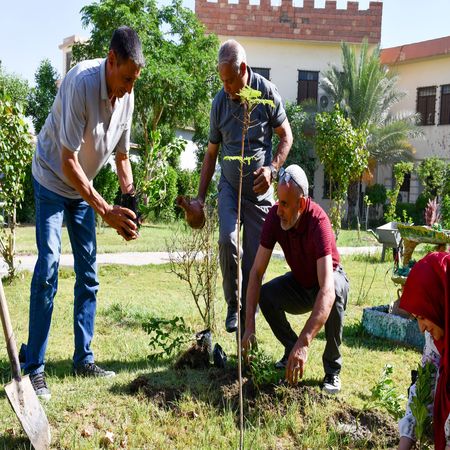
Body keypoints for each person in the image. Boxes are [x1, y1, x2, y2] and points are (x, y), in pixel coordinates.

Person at [22, 26, 145, 400]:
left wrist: (130, 200)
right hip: (51, 178)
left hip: (82, 190)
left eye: (133, 81)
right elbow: (68, 160)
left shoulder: (127, 94)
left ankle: (83, 358)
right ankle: (34, 368)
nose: (127, 88)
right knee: (47, 268)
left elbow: (122, 156)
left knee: (88, 272)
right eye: (125, 78)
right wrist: (105, 209)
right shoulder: (81, 83)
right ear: (111, 60)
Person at [193, 39, 293, 333]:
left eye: (230, 80)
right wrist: (199, 197)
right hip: (228, 187)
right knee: (227, 240)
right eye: (222, 80)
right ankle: (232, 305)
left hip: (260, 195)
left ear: (244, 70)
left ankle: (248, 320)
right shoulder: (220, 103)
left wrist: (273, 169)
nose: (226, 87)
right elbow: (211, 153)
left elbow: (286, 136)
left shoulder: (266, 93)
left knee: (253, 260)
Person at [241, 164, 349, 394]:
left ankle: (332, 370)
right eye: (278, 201)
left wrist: (305, 341)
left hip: (327, 282)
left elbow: (326, 290)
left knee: (337, 291)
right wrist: (249, 324)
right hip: (300, 283)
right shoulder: (274, 217)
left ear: (301, 203)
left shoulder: (318, 222)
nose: (278, 209)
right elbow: (256, 273)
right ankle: (291, 350)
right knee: (267, 294)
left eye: (285, 204)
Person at [398, 251, 450, 450]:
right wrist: (404, 444)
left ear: (440, 300)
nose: (420, 328)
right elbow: (424, 387)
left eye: (422, 316)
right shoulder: (435, 338)